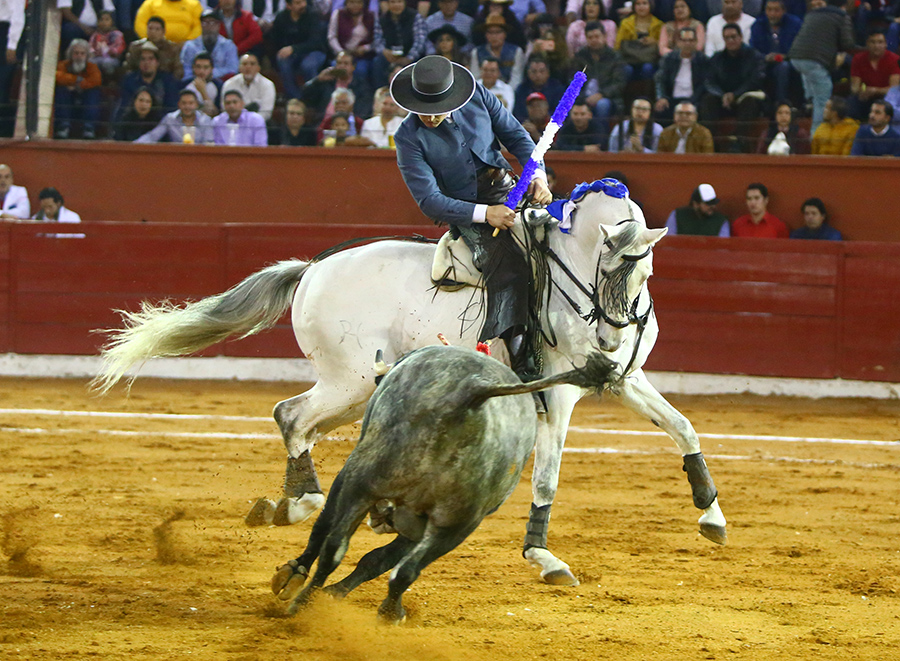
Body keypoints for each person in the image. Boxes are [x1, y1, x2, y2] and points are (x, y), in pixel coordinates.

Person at [390, 55, 553, 392]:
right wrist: (484, 214)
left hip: (509, 189)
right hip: (466, 210)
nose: (431, 116)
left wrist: (538, 176)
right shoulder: (408, 136)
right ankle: (523, 371)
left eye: (437, 107)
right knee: (510, 270)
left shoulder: (478, 95)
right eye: (423, 108)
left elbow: (518, 138)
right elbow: (430, 201)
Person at [787, 0, 855, 134]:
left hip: (796, 57)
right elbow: (848, 44)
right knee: (823, 100)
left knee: (811, 81)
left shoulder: (813, 13)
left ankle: (809, 100)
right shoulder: (842, 16)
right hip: (814, 61)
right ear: (845, 5)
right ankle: (816, 135)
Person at [700, 23, 764, 152]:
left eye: (733, 37)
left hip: (745, 96)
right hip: (722, 99)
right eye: (727, 38)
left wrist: (735, 94)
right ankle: (711, 142)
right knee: (707, 100)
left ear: (741, 37)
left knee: (750, 102)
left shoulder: (754, 56)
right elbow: (709, 81)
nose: (730, 40)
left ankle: (739, 142)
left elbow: (755, 80)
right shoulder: (717, 58)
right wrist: (722, 95)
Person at [571, 21, 625, 130]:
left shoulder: (615, 56)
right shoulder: (580, 56)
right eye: (590, 37)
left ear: (604, 36)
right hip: (583, 97)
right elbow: (572, 80)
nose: (594, 40)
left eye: (597, 36)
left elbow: (619, 83)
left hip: (608, 98)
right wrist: (583, 98)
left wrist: (601, 94)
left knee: (602, 105)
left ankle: (601, 139)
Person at [271, 0, 328, 100]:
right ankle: (295, 98)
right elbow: (276, 40)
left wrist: (294, 49)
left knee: (308, 66)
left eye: (303, 2)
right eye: (298, 3)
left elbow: (316, 42)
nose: (303, 5)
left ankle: (313, 98)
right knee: (282, 60)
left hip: (315, 51)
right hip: (293, 54)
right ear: (288, 6)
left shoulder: (313, 15)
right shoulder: (281, 18)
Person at [749, 0, 802, 106]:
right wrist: (765, 57)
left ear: (784, 11)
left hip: (790, 63)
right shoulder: (758, 25)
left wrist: (783, 57)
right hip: (764, 63)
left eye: (776, 10)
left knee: (783, 67)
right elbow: (753, 50)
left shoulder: (795, 24)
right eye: (769, 10)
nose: (772, 14)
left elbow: (800, 48)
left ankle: (781, 104)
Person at [653, 26, 708, 123]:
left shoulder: (702, 60)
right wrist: (661, 97)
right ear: (678, 42)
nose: (687, 44)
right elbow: (660, 79)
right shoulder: (669, 58)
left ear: (696, 42)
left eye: (691, 40)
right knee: (660, 109)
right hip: (672, 99)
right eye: (684, 40)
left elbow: (704, 84)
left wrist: (693, 101)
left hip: (694, 100)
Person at [303, 52, 374, 124]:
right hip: (323, 125)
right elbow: (304, 95)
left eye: (346, 64)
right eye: (339, 63)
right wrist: (317, 80)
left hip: (348, 126)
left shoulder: (361, 86)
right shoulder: (326, 82)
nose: (342, 66)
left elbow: (363, 111)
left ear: (353, 67)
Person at [54, 39, 103, 140]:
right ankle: (63, 126)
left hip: (85, 99)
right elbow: (58, 76)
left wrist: (78, 85)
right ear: (71, 54)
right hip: (68, 100)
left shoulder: (91, 67)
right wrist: (75, 79)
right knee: (61, 90)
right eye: (76, 53)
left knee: (94, 92)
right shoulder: (63, 65)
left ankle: (89, 128)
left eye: (82, 53)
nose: (79, 56)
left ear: (87, 55)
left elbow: (96, 80)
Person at [372, 0, 427, 88]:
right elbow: (377, 41)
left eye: (399, 2)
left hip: (410, 56)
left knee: (421, 62)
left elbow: (420, 40)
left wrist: (409, 58)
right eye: (393, 2)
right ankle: (381, 91)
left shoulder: (415, 16)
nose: (396, 5)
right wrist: (385, 52)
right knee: (377, 62)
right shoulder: (381, 19)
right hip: (389, 56)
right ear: (388, 4)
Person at [849, 30, 900, 121]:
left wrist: (875, 90)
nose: (876, 46)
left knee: (889, 103)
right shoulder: (858, 58)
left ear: (886, 44)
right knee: (852, 101)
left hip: (886, 97)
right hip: (866, 95)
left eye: (880, 42)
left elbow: (894, 89)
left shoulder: (895, 59)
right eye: (873, 42)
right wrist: (863, 90)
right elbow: (855, 87)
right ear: (867, 44)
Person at [119, 43, 180, 116]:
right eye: (143, 59)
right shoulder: (130, 80)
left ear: (157, 62)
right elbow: (125, 107)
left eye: (150, 59)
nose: (146, 63)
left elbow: (171, 108)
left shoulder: (167, 81)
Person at [136, 88, 214, 143]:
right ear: (178, 104)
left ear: (196, 105)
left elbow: (208, 143)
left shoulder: (205, 120)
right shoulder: (170, 119)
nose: (187, 106)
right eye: (184, 103)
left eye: (191, 103)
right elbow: (152, 136)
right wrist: (133, 146)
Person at [179, 10, 239, 82]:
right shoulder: (190, 46)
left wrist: (209, 74)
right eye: (205, 23)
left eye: (212, 22)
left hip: (221, 84)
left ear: (218, 25)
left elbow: (232, 69)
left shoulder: (228, 46)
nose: (209, 26)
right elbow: (184, 69)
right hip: (195, 83)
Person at [470, 15, 526, 91]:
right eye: (490, 32)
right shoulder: (476, 52)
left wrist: (506, 92)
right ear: (485, 35)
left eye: (498, 32)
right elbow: (476, 77)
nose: (494, 36)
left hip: (510, 92)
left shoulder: (516, 51)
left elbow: (517, 78)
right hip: (484, 92)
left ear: (505, 34)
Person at [327, 0, 376, 82]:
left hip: (361, 56)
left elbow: (375, 38)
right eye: (352, 2)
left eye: (358, 2)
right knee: (336, 68)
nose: (355, 5)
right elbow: (332, 37)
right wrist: (341, 52)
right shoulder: (338, 14)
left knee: (361, 70)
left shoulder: (370, 16)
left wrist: (365, 48)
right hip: (342, 54)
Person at [615, 0, 663, 81]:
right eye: (638, 4)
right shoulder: (625, 23)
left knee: (647, 68)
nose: (641, 7)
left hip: (650, 60)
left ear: (650, 5)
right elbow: (618, 45)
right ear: (634, 6)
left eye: (644, 3)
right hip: (629, 59)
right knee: (626, 69)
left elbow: (663, 45)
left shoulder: (659, 24)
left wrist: (655, 41)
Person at [222, 53, 276, 121]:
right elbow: (225, 109)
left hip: (258, 125)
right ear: (239, 68)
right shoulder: (229, 84)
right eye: (244, 64)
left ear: (258, 68)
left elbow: (266, 112)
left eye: (252, 64)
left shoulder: (267, 85)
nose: (248, 67)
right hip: (234, 123)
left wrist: (249, 123)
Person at [664, 183, 730, 236]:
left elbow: (722, 248)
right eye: (708, 204)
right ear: (696, 204)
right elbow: (669, 241)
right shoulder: (677, 216)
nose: (712, 206)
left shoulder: (721, 221)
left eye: (713, 203)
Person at [513, 55, 564, 121]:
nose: (538, 75)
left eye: (542, 71)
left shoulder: (558, 89)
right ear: (528, 73)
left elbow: (561, 113)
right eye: (534, 71)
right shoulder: (521, 90)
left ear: (548, 73)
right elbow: (518, 114)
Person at [134, 0, 203, 44]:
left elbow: (199, 25)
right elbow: (140, 23)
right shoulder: (151, 3)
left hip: (185, 46)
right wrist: (150, 39)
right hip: (154, 45)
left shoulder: (194, 4)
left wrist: (188, 42)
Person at [183, 51, 223, 117]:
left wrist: (203, 92)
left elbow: (215, 113)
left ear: (211, 69)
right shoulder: (185, 85)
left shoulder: (219, 85)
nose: (201, 71)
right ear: (193, 68)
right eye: (198, 67)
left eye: (206, 67)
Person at [88, 10, 126, 76]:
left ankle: (109, 81)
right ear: (98, 22)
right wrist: (95, 52)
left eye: (107, 20)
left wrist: (108, 51)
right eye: (101, 20)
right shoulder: (95, 35)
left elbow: (119, 48)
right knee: (91, 62)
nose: (104, 22)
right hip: (97, 57)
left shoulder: (117, 34)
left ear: (112, 22)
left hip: (111, 59)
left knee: (107, 63)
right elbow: (90, 48)